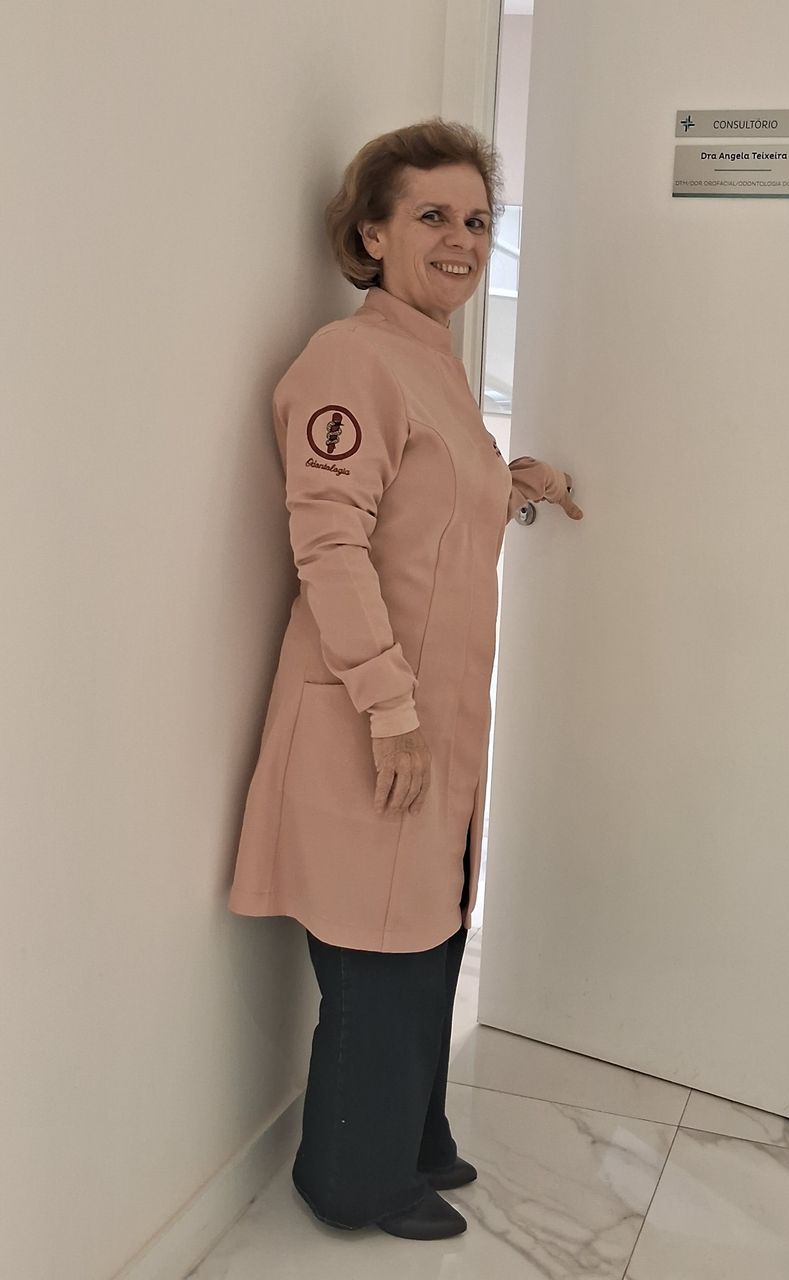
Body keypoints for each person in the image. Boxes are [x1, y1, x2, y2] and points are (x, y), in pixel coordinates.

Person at [227, 118, 582, 1241]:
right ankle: (351, 1179)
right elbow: (329, 541)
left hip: (436, 716)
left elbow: (427, 502)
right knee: (379, 953)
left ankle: (412, 1142)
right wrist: (387, 708)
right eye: (432, 215)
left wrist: (514, 483)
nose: (461, 238)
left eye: (476, 218)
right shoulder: (350, 362)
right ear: (372, 233)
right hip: (369, 713)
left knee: (427, 932)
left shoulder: (430, 359)